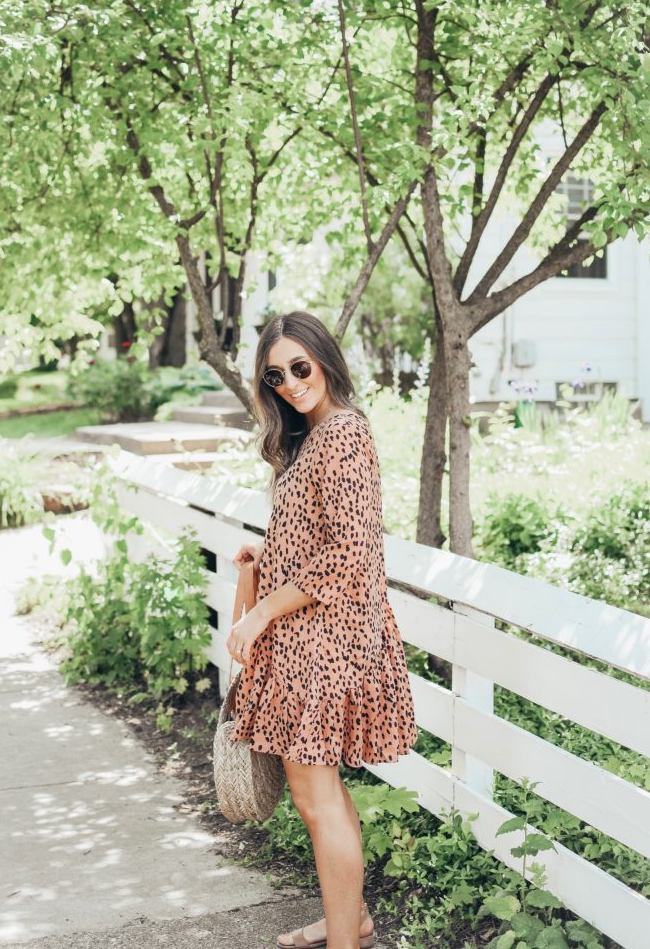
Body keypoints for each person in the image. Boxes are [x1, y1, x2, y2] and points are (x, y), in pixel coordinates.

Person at [225, 310, 418, 949]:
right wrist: (266, 557)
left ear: (325, 360)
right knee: (322, 795)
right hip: (308, 639)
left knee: (316, 799)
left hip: (326, 644)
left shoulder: (340, 433)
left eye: (299, 367)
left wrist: (259, 615)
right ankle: (351, 920)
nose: (288, 383)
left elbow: (346, 554)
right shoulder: (312, 439)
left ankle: (346, 941)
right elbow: (319, 540)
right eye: (275, 375)